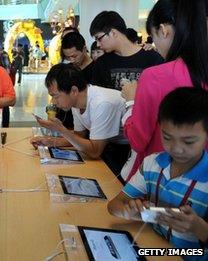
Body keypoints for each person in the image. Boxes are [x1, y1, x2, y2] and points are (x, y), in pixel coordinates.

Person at [108, 87, 208, 255]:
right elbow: (113, 206)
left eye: (189, 141)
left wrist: (199, 227)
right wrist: (133, 212)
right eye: (167, 138)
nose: (176, 149)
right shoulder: (152, 164)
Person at [121, 0, 208, 182]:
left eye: (153, 37)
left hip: (160, 180)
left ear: (163, 30)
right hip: (200, 187)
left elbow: (138, 140)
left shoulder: (155, 76)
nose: (155, 46)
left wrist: (130, 102)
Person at [30, 64, 127, 172]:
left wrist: (61, 129)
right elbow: (79, 137)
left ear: (74, 91)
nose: (53, 102)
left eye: (56, 96)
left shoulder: (102, 103)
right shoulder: (76, 102)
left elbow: (94, 152)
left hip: (128, 149)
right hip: (110, 144)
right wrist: (51, 142)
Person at [89, 10, 164, 90]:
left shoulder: (152, 58)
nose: (97, 44)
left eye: (99, 38)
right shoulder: (101, 63)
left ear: (113, 33)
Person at [58, 32, 95, 130]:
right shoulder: (68, 70)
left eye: (74, 56)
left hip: (89, 124)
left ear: (83, 49)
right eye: (68, 57)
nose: (72, 60)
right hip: (67, 122)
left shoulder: (97, 69)